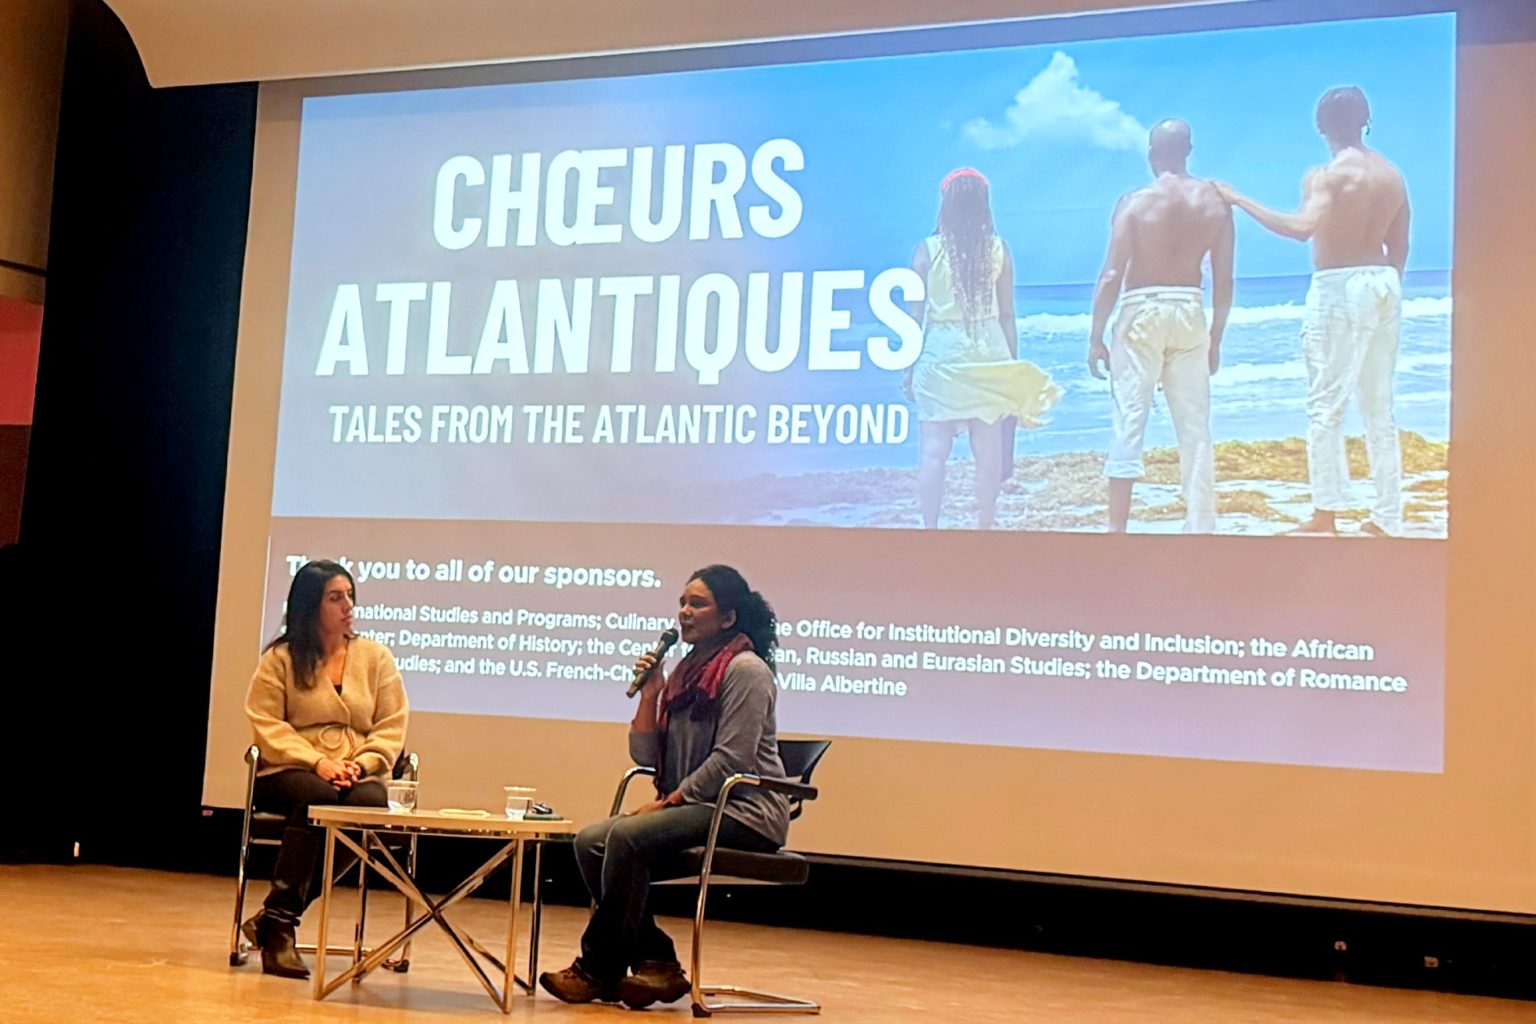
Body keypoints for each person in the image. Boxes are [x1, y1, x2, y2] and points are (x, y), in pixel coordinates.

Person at [539, 565, 791, 1009]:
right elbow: (643, 755)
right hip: (697, 807)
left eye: (698, 604)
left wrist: (667, 803)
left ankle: (597, 969)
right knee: (589, 841)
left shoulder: (746, 671)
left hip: (744, 811)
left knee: (629, 836)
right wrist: (650, 696)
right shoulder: (685, 672)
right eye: (682, 603)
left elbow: (732, 760)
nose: (685, 613)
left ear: (728, 617)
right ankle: (657, 963)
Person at [1218, 86, 1409, 536]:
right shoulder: (1392, 175)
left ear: (1321, 126)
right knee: (1379, 409)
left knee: (1326, 405)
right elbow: (1400, 244)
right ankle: (1388, 517)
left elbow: (1302, 227)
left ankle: (1326, 515)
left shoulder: (1325, 175)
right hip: (1385, 282)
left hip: (1338, 286)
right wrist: (1385, 289)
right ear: (1366, 119)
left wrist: (1239, 199)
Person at [241, 558, 409, 979]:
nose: (348, 605)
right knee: (319, 797)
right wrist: (318, 762)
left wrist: (362, 763)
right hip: (290, 768)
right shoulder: (281, 658)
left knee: (367, 803)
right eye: (336, 597)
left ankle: (272, 917)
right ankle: (280, 929)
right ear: (310, 605)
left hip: (356, 768)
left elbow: (392, 725)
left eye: (350, 596)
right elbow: (265, 722)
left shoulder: (375, 657)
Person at [1088, 119, 1234, 534]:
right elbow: (1224, 280)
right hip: (1190, 308)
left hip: (1142, 308)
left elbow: (1112, 273)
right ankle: (1201, 527)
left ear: (1152, 154)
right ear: (1188, 150)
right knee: (1194, 426)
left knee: (1129, 420)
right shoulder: (1214, 203)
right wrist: (1216, 338)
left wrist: (1095, 336)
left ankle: (1118, 530)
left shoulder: (1134, 202)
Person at [906, 168, 1060, 529]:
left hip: (941, 352)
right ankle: (985, 527)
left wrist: (909, 367)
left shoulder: (926, 251)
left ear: (946, 203)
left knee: (933, 452)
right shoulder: (998, 249)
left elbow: (915, 319)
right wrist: (1010, 365)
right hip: (988, 350)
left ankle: (929, 531)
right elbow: (1007, 316)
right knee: (987, 454)